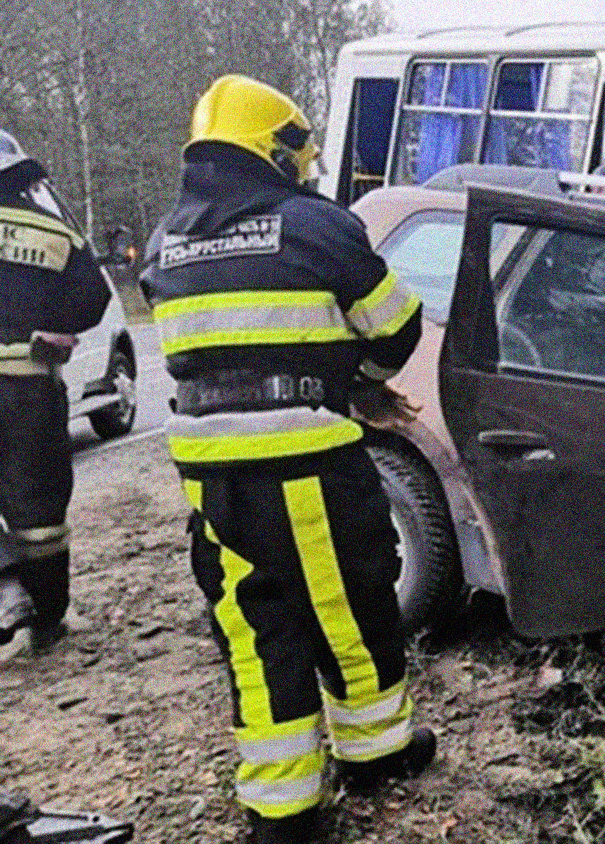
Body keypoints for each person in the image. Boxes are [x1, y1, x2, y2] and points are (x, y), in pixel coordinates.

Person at [141, 75, 433, 844]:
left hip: (211, 481)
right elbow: (398, 329)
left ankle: (282, 809)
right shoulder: (315, 225)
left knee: (254, 629)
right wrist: (360, 383)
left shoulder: (166, 241)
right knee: (349, 609)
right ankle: (375, 755)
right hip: (307, 464)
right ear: (277, 148)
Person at [0, 129, 112, 658]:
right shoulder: (50, 229)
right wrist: (50, 324)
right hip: (29, 388)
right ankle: (46, 619)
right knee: (38, 510)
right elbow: (92, 300)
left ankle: (4, 592)